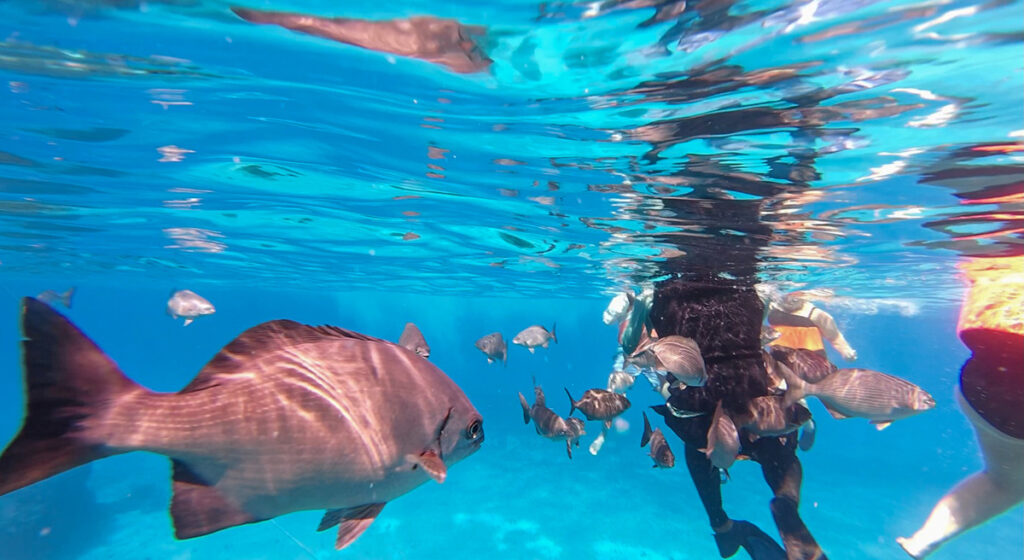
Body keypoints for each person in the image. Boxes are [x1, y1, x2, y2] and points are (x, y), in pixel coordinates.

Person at [897, 255, 1023, 559]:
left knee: (1003, 482)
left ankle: (925, 538)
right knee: (1007, 484)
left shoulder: (995, 257)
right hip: (1008, 389)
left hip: (980, 382)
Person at [759, 286, 857, 362]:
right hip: (779, 359)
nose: (790, 298)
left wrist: (846, 351)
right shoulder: (773, 307)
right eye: (787, 295)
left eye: (797, 295)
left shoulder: (816, 314)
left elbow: (835, 337)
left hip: (812, 364)